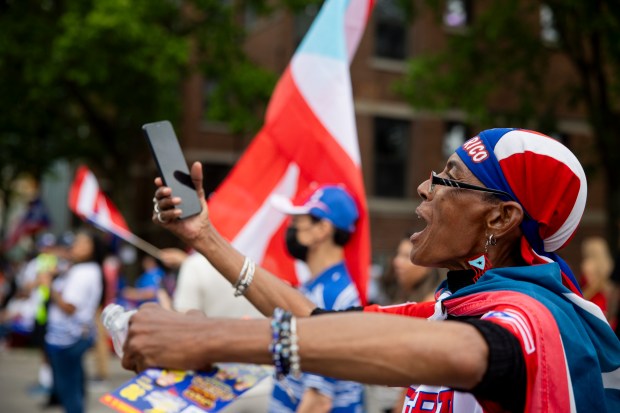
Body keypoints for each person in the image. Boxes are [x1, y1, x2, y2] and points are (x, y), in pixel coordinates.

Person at [123, 128, 620, 412]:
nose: (426, 188)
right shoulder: (458, 305)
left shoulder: (532, 315)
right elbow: (316, 322)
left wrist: (208, 339)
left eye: (449, 178)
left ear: (501, 217)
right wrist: (204, 237)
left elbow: (468, 354)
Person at [173, 251, 273, 413]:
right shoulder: (267, 257)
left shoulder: (195, 264)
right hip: (267, 382)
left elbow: (184, 327)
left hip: (216, 387)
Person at [43, 229, 104, 413]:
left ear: (92, 249)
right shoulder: (83, 269)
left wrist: (48, 285)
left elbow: (69, 307)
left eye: (81, 243)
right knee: (75, 383)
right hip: (74, 334)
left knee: (69, 390)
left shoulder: (83, 272)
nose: (75, 246)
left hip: (68, 337)